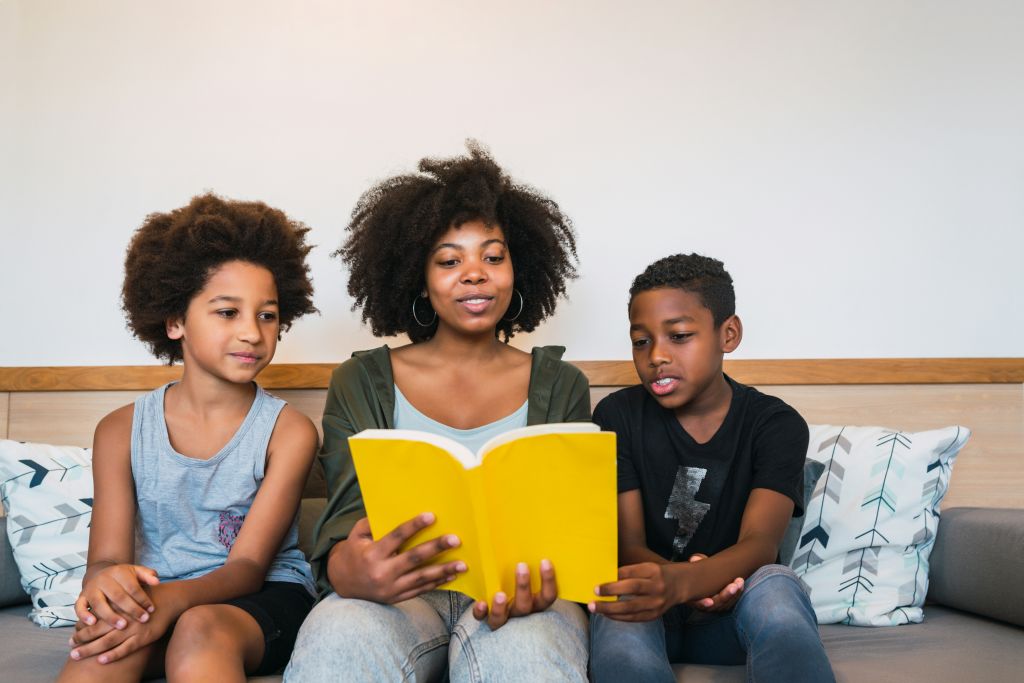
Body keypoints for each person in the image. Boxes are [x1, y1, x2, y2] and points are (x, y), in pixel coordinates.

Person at [285, 142, 590, 682]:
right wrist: (351, 570)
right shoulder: (360, 382)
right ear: (418, 280)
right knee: (339, 635)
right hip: (399, 598)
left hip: (517, 600)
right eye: (450, 260)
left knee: (529, 650)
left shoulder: (560, 385)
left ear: (518, 269)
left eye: (493, 256)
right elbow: (341, 526)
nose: (475, 273)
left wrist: (551, 578)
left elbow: (563, 527)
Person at [58, 194, 320, 682]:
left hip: (262, 598)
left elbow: (246, 567)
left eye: (267, 315)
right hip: (160, 594)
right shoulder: (119, 431)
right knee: (100, 654)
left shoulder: (288, 432)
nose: (252, 333)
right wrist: (107, 587)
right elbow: (108, 558)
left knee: (198, 628)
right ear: (175, 321)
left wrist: (166, 604)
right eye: (227, 312)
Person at [587, 253, 834, 682]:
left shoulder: (775, 423)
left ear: (729, 334)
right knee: (619, 599)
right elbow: (627, 543)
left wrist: (692, 581)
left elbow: (760, 544)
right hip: (650, 608)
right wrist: (677, 584)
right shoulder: (617, 416)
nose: (656, 356)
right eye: (641, 341)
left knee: (776, 583)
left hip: (731, 608)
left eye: (679, 336)